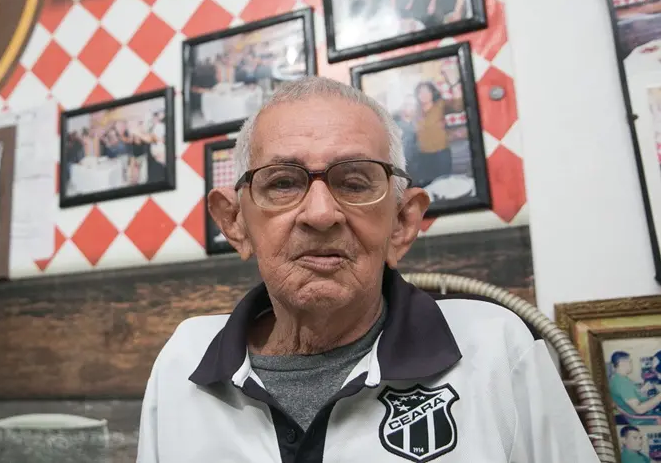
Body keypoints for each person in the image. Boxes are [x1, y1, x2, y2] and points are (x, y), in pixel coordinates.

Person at [137, 77, 597, 462]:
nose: (320, 214)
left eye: (355, 182)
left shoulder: (496, 349)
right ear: (236, 223)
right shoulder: (183, 363)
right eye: (282, 183)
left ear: (402, 221)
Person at [610, 350, 661, 418]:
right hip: (647, 417)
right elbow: (639, 410)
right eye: (630, 361)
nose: (631, 364)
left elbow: (629, 394)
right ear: (622, 363)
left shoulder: (617, 378)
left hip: (645, 410)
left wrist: (642, 390)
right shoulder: (622, 383)